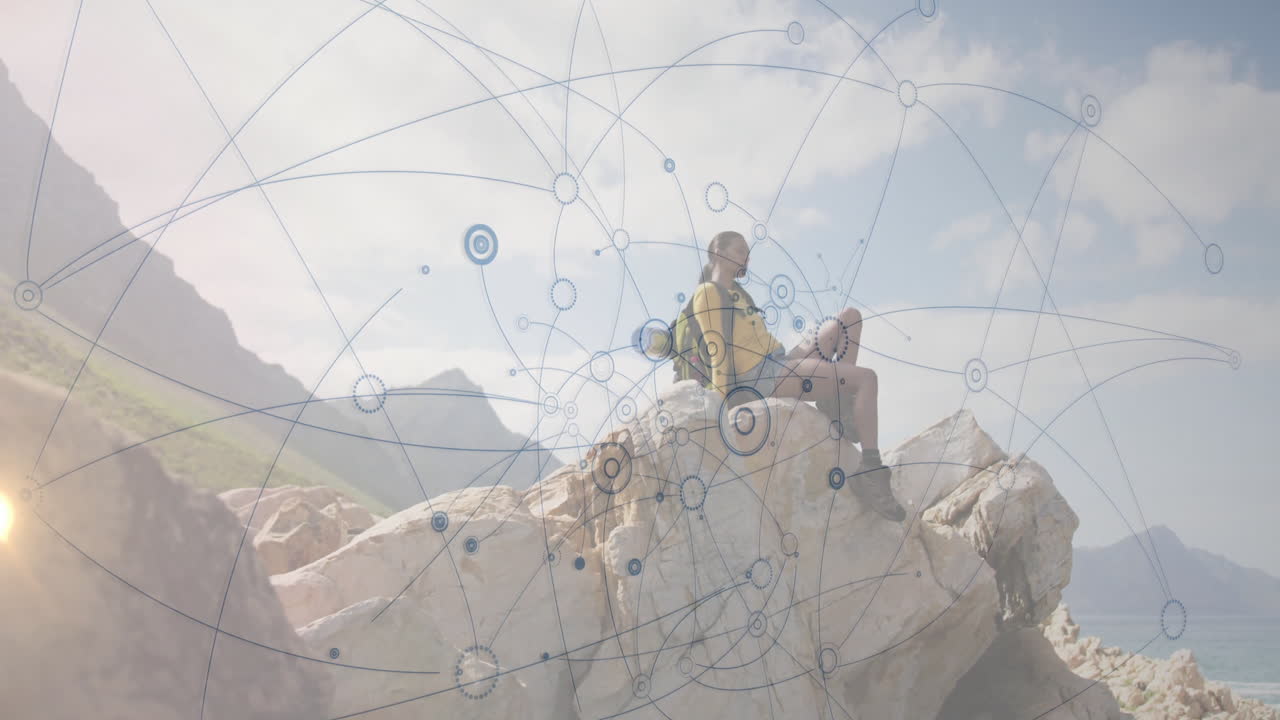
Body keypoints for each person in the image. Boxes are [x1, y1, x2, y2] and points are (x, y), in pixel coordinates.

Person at [688, 229, 906, 522]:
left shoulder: (739, 294)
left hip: (779, 360)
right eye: (739, 251)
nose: (746, 257)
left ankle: (836, 405)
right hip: (761, 377)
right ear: (718, 254)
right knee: (866, 378)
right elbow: (719, 353)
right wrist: (720, 407)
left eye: (747, 252)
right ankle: (870, 469)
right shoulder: (708, 294)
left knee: (849, 318)